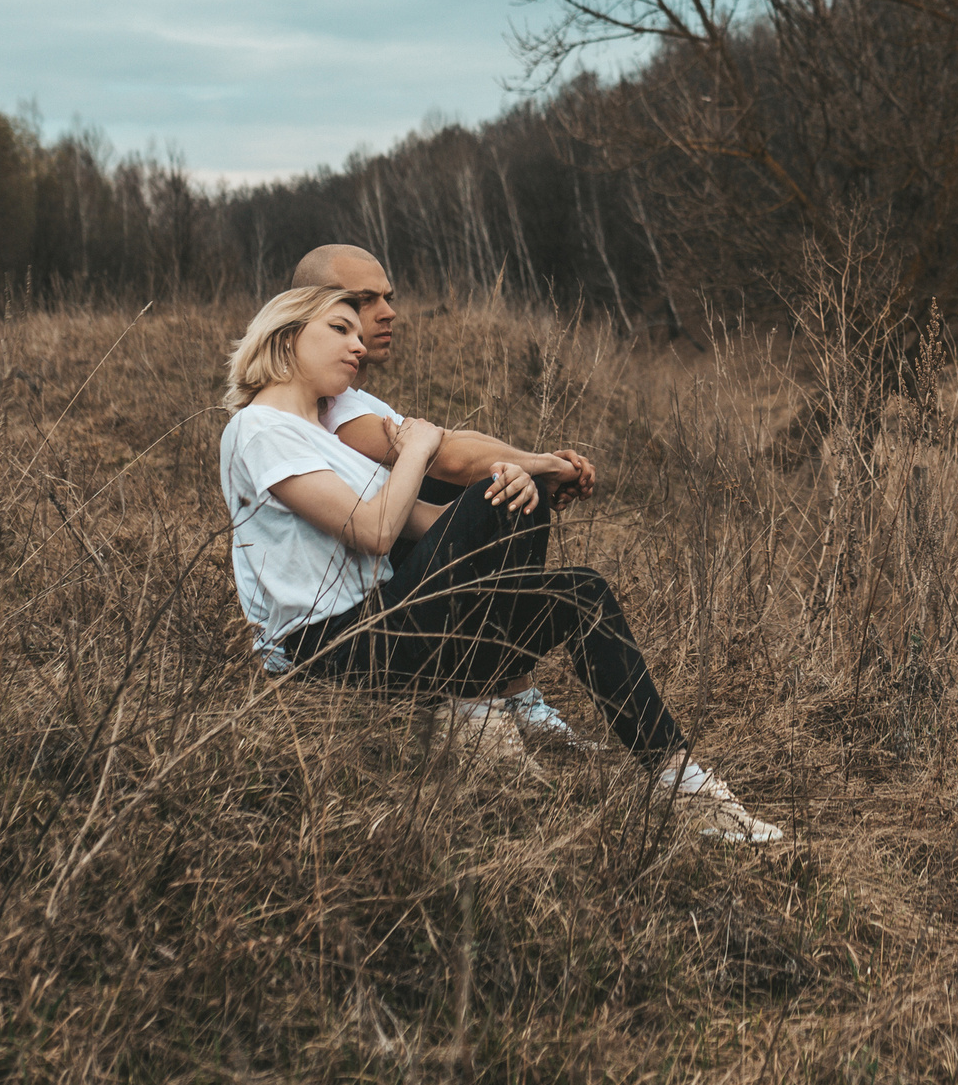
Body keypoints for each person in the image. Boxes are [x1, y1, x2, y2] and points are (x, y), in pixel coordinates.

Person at [218, 284, 782, 843]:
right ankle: (477, 711)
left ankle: (683, 784)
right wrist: (419, 448)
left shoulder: (320, 435)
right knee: (500, 495)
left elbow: (430, 525)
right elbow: (373, 530)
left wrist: (513, 487)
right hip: (326, 649)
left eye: (357, 333)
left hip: (384, 623)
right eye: (339, 330)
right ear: (287, 338)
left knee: (577, 587)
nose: (359, 344)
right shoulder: (259, 428)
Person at [287, 242, 593, 748]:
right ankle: (495, 691)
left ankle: (508, 688)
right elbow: (448, 457)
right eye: (365, 301)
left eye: (388, 297)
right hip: (344, 632)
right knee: (497, 487)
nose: (388, 312)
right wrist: (545, 466)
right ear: (313, 312)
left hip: (373, 597)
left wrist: (534, 467)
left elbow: (451, 444)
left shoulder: (350, 399)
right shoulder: (327, 410)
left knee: (503, 488)